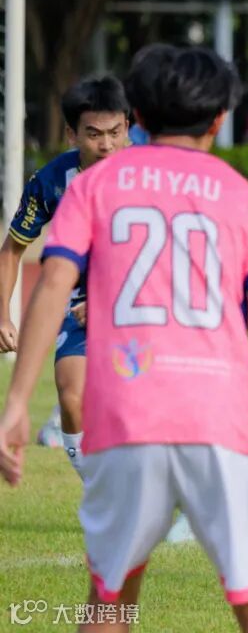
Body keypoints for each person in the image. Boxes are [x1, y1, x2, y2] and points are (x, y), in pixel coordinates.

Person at [0, 44, 248, 631]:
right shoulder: (247, 199)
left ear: (136, 116)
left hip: (125, 415)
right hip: (222, 420)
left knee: (109, 604)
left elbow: (52, 283)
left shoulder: (91, 187)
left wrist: (16, 403)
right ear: (219, 119)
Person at [0, 77, 128, 467]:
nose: (106, 145)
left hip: (149, 303)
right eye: (94, 134)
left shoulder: (149, 174)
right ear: (72, 134)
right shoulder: (51, 181)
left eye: (115, 132)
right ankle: (98, 489)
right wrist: (2, 314)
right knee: (72, 397)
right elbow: (12, 250)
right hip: (80, 306)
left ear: (127, 126)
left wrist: (110, 301)